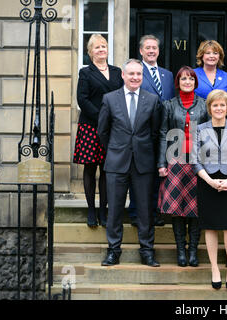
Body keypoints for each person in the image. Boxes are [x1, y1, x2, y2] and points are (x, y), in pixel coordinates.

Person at [98, 59, 161, 267]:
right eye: (131, 74)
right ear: (123, 76)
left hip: (143, 163)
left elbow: (154, 133)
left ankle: (147, 250)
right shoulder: (109, 99)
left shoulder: (152, 100)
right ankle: (113, 251)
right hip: (116, 162)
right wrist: (116, 149)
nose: (135, 77)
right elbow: (102, 132)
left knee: (145, 209)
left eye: (139, 74)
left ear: (143, 77)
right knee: (115, 209)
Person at [192, 89, 227, 290]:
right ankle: (214, 268)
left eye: (222, 105)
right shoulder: (200, 129)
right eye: (215, 105)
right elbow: (195, 160)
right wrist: (210, 181)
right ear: (209, 108)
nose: (219, 108)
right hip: (207, 181)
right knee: (211, 226)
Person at [157, 66, 209, 267]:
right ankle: (181, 251)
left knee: (196, 208)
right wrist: (161, 162)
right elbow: (163, 133)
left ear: (196, 83)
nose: (187, 82)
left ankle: (193, 250)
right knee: (177, 209)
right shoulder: (169, 105)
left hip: (199, 162)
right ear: (177, 83)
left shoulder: (204, 106)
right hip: (175, 161)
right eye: (183, 79)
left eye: (191, 79)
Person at [74, 34, 123, 228]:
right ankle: (91, 211)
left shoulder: (117, 71)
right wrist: (101, 117)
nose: (101, 50)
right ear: (90, 52)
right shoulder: (86, 72)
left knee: (106, 170)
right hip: (90, 126)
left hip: (111, 127)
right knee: (90, 168)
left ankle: (104, 210)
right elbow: (82, 99)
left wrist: (112, 120)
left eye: (104, 46)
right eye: (97, 47)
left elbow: (120, 96)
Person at [129, 34, 176, 227]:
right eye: (147, 48)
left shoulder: (168, 75)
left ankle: (155, 212)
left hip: (163, 132)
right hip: (143, 132)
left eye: (154, 48)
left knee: (160, 173)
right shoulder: (137, 73)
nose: (151, 51)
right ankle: (135, 213)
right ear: (141, 51)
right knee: (139, 173)